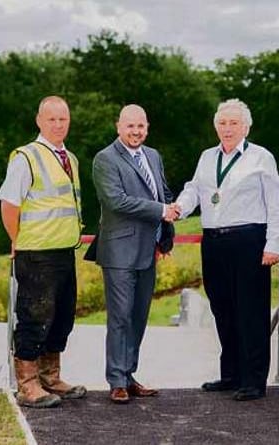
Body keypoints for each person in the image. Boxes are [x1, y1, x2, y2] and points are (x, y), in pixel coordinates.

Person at [174, 99, 279, 401]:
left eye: (233, 123)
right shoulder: (207, 157)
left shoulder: (261, 157)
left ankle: (253, 380)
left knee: (251, 311)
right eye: (222, 123)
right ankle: (231, 374)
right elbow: (194, 189)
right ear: (215, 127)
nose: (227, 128)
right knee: (222, 309)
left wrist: (272, 243)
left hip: (249, 240)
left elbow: (276, 202)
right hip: (214, 241)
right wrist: (179, 208)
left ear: (246, 127)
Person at [0, 96, 86, 408]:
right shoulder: (26, 157)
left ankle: (50, 376)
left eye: (63, 119)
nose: (58, 125)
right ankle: (28, 384)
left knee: (61, 318)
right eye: (52, 119)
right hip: (36, 253)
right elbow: (9, 205)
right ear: (39, 121)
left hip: (64, 251)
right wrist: (17, 239)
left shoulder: (70, 158)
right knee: (34, 317)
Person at [92, 104, 177, 404]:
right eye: (130, 126)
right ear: (119, 127)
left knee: (138, 317)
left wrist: (170, 222)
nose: (136, 131)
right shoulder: (105, 159)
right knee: (120, 317)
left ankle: (128, 375)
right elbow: (116, 201)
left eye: (140, 126)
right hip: (119, 252)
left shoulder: (153, 155)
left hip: (148, 250)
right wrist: (162, 210)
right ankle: (116, 380)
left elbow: (162, 193)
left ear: (147, 127)